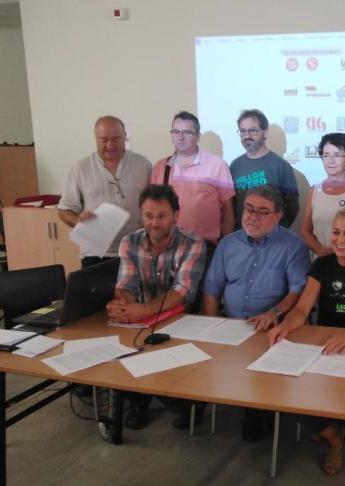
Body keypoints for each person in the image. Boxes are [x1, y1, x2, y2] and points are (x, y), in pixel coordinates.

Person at [268, 206, 345, 475]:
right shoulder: (322, 265)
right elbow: (302, 309)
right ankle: (334, 437)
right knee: (292, 393)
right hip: (324, 345)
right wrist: (285, 325)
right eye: (336, 232)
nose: (340, 239)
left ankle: (337, 428)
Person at [202, 184, 310, 440]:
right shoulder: (228, 244)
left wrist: (274, 312)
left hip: (271, 330)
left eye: (262, 212)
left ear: (278, 215)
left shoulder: (293, 245)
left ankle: (258, 411)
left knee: (261, 373)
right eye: (249, 209)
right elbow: (211, 290)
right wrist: (209, 329)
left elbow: (298, 290)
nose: (252, 217)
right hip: (231, 326)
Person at [106, 184, 206, 429]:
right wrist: (123, 306)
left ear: (176, 215)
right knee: (118, 348)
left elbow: (182, 291)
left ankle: (184, 401)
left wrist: (144, 310)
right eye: (148, 216)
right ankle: (138, 400)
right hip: (141, 319)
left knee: (173, 376)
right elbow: (126, 284)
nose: (154, 223)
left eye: (162, 216)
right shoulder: (129, 242)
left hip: (180, 320)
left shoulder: (193, 243)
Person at [58, 115, 152, 268]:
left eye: (116, 139)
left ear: (125, 137)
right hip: (95, 253)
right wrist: (78, 221)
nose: (110, 145)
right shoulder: (80, 169)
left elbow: (154, 204)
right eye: (104, 140)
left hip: (136, 249)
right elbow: (64, 210)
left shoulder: (142, 164)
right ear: (96, 138)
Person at [151, 111, 235, 257]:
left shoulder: (218, 165)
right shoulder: (161, 167)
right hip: (166, 249)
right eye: (176, 131)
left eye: (187, 132)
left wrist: (226, 249)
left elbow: (228, 210)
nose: (180, 137)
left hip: (204, 249)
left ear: (197, 136)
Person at [299, 133, 345, 259]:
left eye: (337, 155)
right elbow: (305, 230)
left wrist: (338, 253)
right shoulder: (314, 190)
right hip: (320, 260)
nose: (331, 161)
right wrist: (321, 252)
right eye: (326, 155)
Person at [230, 109, 299, 228]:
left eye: (252, 131)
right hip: (242, 235)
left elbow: (293, 207)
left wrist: (276, 229)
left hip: (274, 236)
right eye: (243, 131)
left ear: (265, 133)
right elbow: (232, 206)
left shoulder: (281, 166)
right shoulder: (235, 165)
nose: (247, 136)